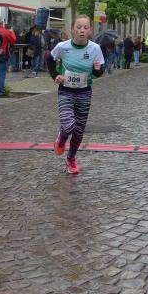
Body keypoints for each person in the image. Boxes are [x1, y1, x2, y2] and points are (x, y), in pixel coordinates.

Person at [46, 16, 104, 175]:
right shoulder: (62, 46)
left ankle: (71, 158)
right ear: (72, 29)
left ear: (90, 30)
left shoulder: (95, 48)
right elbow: (50, 59)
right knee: (68, 125)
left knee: (79, 130)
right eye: (78, 27)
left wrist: (97, 69)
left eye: (85, 27)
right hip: (66, 91)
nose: (82, 30)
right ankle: (61, 138)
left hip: (84, 92)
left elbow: (99, 72)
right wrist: (55, 75)